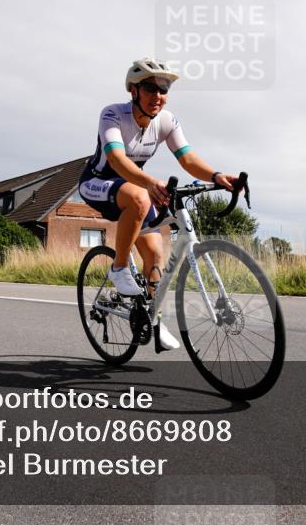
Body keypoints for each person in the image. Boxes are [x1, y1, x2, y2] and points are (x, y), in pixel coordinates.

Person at [78, 57, 239, 351]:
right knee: (140, 196)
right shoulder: (113, 114)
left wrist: (216, 176)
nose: (158, 96)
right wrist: (150, 183)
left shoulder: (166, 121)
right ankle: (119, 268)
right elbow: (116, 159)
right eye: (151, 88)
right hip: (98, 182)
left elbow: (188, 159)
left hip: (133, 187)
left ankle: (152, 318)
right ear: (133, 91)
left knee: (155, 257)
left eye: (164, 89)